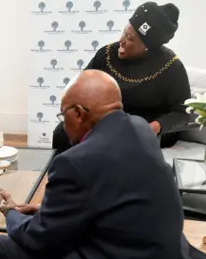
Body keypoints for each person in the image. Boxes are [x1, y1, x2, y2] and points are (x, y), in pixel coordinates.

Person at [0, 70, 206, 259]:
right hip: (167, 256)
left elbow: (41, 240)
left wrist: (12, 215)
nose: (63, 124)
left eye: (62, 115)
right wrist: (46, 210)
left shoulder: (73, 162)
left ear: (78, 113)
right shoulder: (141, 129)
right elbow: (115, 194)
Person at [53, 1, 191, 153]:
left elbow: (183, 113)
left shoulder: (171, 66)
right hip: (107, 121)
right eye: (125, 32)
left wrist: (155, 127)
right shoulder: (106, 55)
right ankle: (62, 175)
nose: (122, 41)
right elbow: (83, 86)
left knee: (116, 143)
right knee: (61, 133)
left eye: (130, 38)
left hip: (148, 127)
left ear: (148, 47)